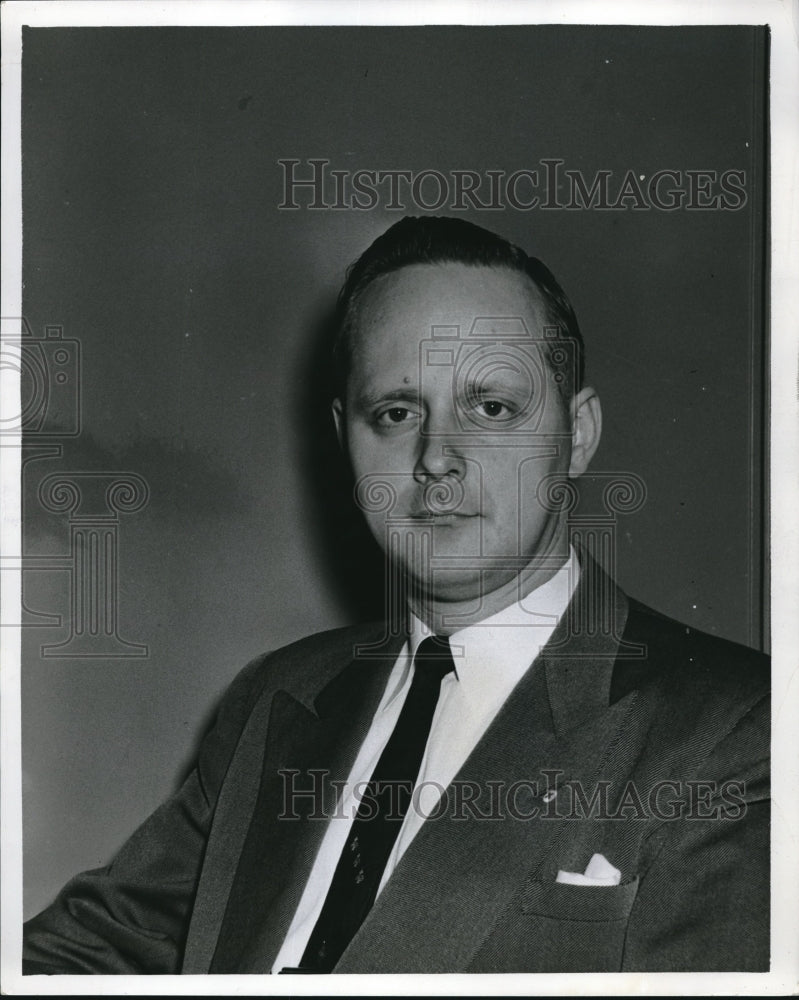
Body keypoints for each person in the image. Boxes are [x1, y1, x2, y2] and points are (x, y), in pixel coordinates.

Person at [23, 216, 769, 974]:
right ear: (345, 438)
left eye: (491, 408)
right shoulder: (279, 701)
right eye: (396, 412)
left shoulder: (738, 731)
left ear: (576, 435)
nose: (436, 457)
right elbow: (80, 961)